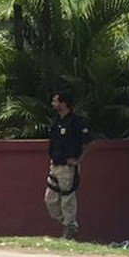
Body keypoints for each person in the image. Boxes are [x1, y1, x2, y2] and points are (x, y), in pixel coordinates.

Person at [45, 91, 91, 240]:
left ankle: (69, 230)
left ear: (64, 103)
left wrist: (79, 160)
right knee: (50, 199)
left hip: (68, 167)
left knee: (67, 199)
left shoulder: (77, 122)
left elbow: (88, 142)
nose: (53, 104)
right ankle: (69, 224)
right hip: (55, 165)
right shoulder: (55, 122)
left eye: (55, 101)